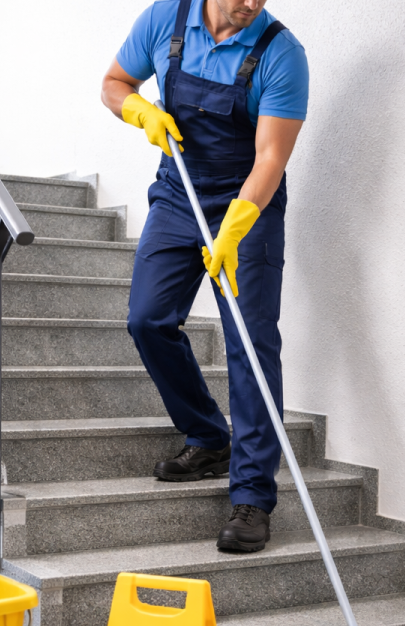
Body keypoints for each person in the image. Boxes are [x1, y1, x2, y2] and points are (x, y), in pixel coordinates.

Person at [101, 0, 308, 552]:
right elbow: (115, 83)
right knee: (147, 320)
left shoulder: (281, 54)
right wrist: (139, 111)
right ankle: (210, 435)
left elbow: (270, 158)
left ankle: (252, 496)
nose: (251, 4)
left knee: (250, 343)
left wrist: (238, 226)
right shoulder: (166, 20)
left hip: (246, 202)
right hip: (177, 195)